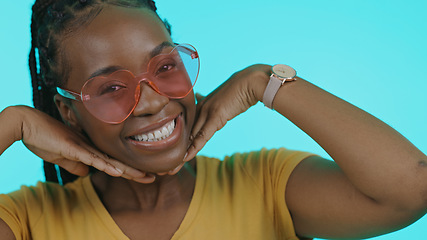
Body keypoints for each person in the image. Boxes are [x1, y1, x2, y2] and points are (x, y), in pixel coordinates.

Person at [0, 0, 426, 239]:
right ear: (68, 113)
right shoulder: (30, 221)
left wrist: (264, 83)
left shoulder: (265, 185)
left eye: (165, 66)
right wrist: (12, 124)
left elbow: (411, 188)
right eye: (111, 88)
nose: (151, 102)